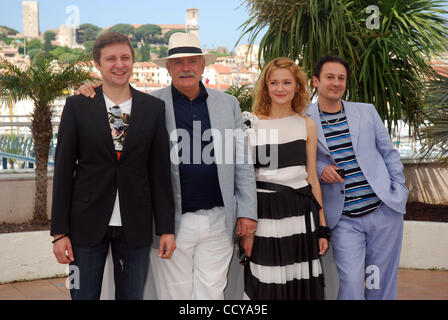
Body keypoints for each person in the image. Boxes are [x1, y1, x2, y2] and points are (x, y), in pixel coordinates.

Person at [75, 32, 257, 300]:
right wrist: (88, 92)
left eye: (192, 61)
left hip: (220, 219)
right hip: (172, 222)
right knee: (175, 295)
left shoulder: (228, 104)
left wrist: (247, 212)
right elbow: (113, 129)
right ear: (169, 68)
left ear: (203, 65)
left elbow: (242, 163)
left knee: (212, 293)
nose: (186, 68)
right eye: (178, 62)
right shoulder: (147, 104)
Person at [50, 32, 175, 300]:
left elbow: (160, 173)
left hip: (137, 225)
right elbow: (62, 171)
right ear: (97, 64)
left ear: (133, 61)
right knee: (81, 294)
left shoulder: (153, 108)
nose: (119, 64)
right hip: (84, 225)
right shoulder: (77, 105)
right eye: (111, 59)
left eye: (125, 58)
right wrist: (59, 233)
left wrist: (166, 228)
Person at [307, 55, 409, 300]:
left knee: (380, 284)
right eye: (330, 77)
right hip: (343, 219)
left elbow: (388, 153)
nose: (336, 82)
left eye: (341, 78)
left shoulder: (366, 111)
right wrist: (321, 169)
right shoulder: (303, 118)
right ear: (315, 81)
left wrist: (399, 191)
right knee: (352, 283)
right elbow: (300, 159)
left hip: (383, 212)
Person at [240, 57, 329, 299]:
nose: (280, 88)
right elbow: (244, 179)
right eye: (274, 82)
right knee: (267, 284)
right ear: (266, 87)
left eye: (287, 82)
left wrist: (322, 227)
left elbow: (311, 177)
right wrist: (246, 230)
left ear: (297, 86)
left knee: (298, 285)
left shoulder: (307, 125)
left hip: (300, 216)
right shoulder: (250, 123)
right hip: (265, 217)